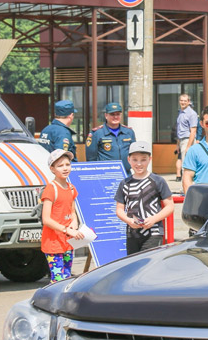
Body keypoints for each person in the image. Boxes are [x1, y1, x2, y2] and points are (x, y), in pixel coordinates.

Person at [115, 142, 174, 255]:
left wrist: (154, 219)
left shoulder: (158, 181)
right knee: (133, 266)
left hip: (154, 232)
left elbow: (169, 206)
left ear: (149, 159)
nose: (139, 164)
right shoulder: (125, 183)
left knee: (149, 266)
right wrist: (129, 221)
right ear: (129, 160)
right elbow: (119, 209)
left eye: (143, 159)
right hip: (132, 233)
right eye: (135, 160)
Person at [40, 149, 86, 283]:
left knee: (66, 277)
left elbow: (72, 211)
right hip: (53, 243)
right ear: (52, 169)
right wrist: (67, 230)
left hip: (68, 242)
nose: (65, 168)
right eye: (60, 166)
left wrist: (74, 223)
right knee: (58, 279)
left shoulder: (71, 188)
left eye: (67, 164)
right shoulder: (51, 189)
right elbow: (46, 219)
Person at [85, 102, 137, 174]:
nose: (115, 117)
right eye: (112, 114)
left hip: (126, 173)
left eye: (118, 114)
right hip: (105, 174)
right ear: (106, 115)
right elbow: (91, 159)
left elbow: (134, 154)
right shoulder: (97, 133)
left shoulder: (129, 132)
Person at [175, 93, 199, 181]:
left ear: (188, 102)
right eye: (181, 100)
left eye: (185, 101)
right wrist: (177, 144)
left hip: (187, 140)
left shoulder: (192, 114)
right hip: (181, 141)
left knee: (186, 166)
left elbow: (193, 131)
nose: (183, 102)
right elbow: (179, 130)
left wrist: (189, 146)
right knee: (184, 165)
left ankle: (187, 187)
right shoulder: (180, 112)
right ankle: (185, 186)